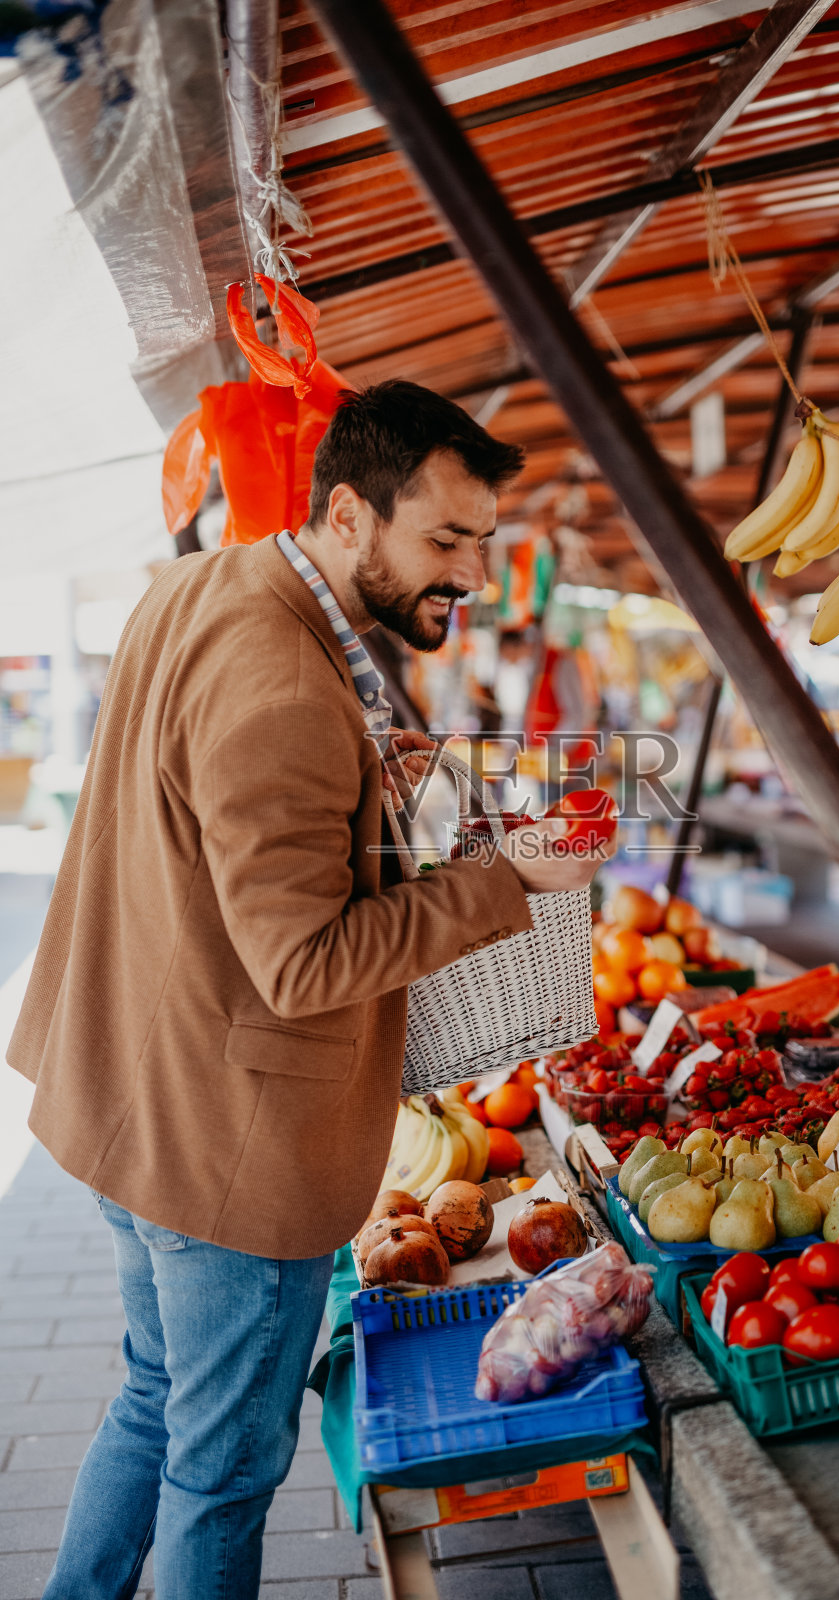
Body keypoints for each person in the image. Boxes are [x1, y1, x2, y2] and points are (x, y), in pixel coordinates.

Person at [6, 380, 604, 1599]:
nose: (470, 577)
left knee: (151, 1400)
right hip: (228, 1151)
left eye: (479, 542)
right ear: (345, 513)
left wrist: (378, 795)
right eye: (442, 541)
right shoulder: (282, 685)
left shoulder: (202, 588)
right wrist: (505, 875)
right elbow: (302, 963)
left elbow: (210, 830)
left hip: (132, 1095)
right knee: (220, 1473)